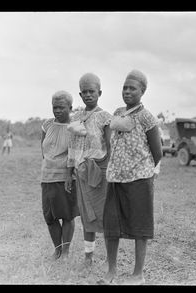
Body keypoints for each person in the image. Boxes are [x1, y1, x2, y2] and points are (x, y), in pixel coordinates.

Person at [100, 69, 162, 285]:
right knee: (111, 225)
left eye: (132, 88)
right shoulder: (117, 112)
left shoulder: (146, 117)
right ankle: (111, 271)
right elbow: (111, 142)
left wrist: (144, 173)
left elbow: (158, 152)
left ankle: (138, 274)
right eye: (124, 88)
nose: (127, 91)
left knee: (140, 227)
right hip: (116, 178)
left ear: (142, 91)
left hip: (139, 180)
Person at [65, 73, 112, 267]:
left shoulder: (105, 117)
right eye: (84, 92)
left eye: (91, 91)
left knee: (105, 215)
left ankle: (112, 258)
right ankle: (88, 256)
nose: (88, 95)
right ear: (80, 94)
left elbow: (110, 147)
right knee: (87, 215)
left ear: (99, 92)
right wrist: (69, 173)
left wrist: (110, 172)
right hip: (81, 173)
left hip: (100, 171)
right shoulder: (76, 118)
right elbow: (72, 147)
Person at [40, 90, 79, 260]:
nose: (57, 111)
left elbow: (75, 153)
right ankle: (57, 249)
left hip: (65, 178)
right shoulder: (47, 125)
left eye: (61, 107)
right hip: (47, 177)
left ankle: (65, 252)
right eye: (54, 107)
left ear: (70, 107)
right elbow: (43, 149)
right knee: (49, 217)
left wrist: (69, 175)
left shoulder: (75, 126)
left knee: (67, 215)